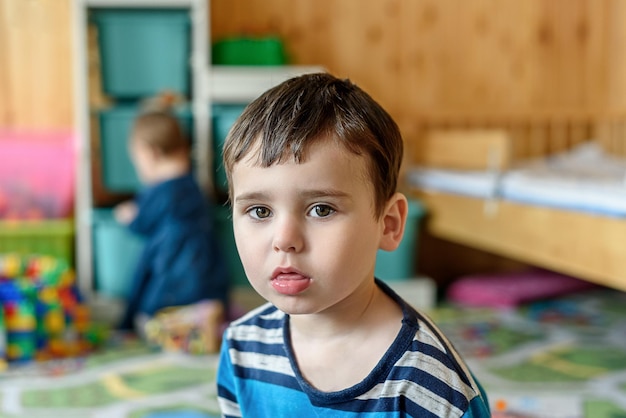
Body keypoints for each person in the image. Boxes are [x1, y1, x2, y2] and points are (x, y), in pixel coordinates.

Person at [216, 73, 491, 417]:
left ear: (388, 224)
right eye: (259, 211)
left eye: (321, 209)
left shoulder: (430, 385)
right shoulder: (242, 348)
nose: (284, 239)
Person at [115, 96, 230, 334]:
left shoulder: (159, 192)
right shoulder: (195, 187)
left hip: (171, 278)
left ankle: (178, 320)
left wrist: (128, 216)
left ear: (151, 154)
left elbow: (141, 222)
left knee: (147, 317)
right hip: (205, 275)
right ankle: (204, 313)